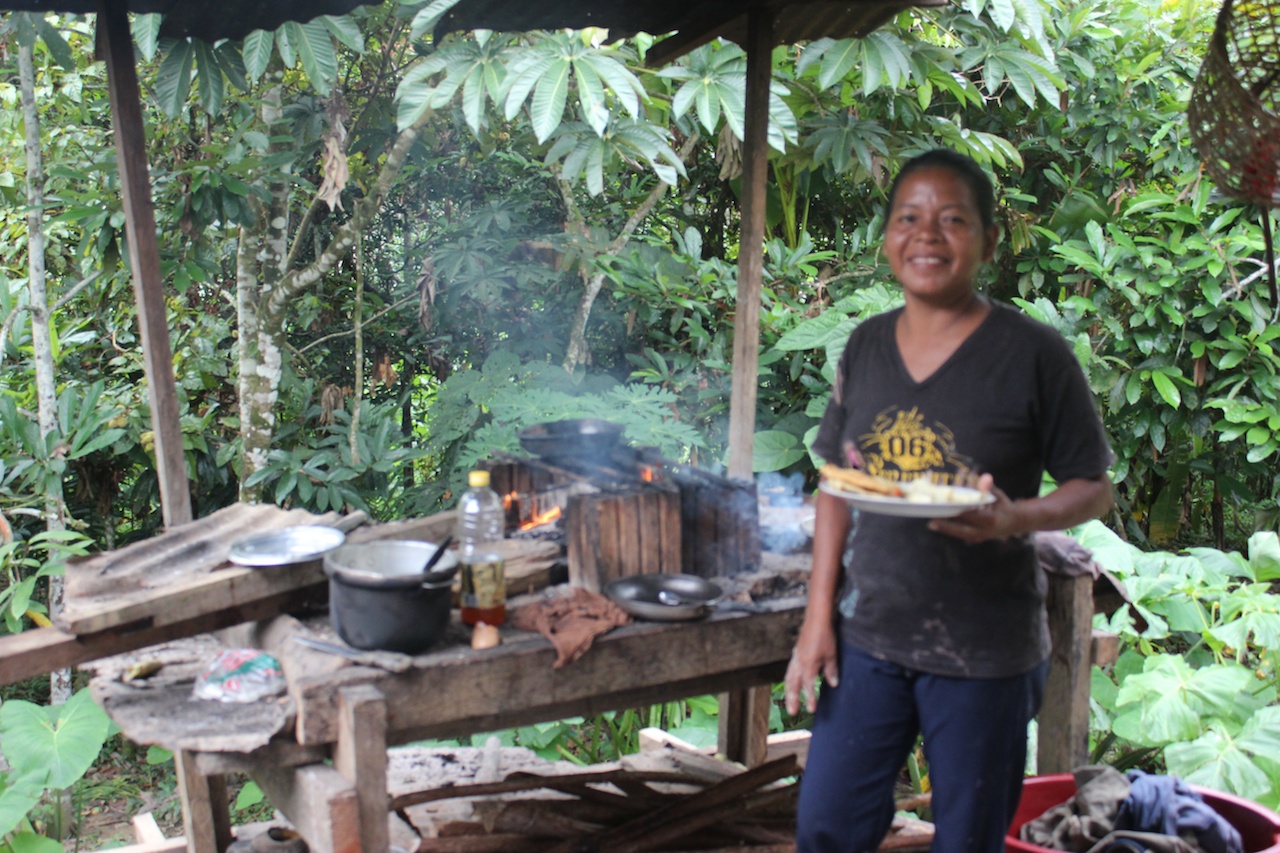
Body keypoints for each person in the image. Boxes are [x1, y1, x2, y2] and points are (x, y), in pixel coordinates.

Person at [786, 148, 1114, 853]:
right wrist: (817, 622)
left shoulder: (1034, 355)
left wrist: (1015, 518)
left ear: (989, 241)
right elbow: (837, 485)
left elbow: (1094, 486)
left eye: (953, 219)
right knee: (826, 826)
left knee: (967, 841)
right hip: (869, 637)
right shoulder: (866, 346)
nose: (927, 235)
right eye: (908, 218)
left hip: (986, 651)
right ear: (887, 238)